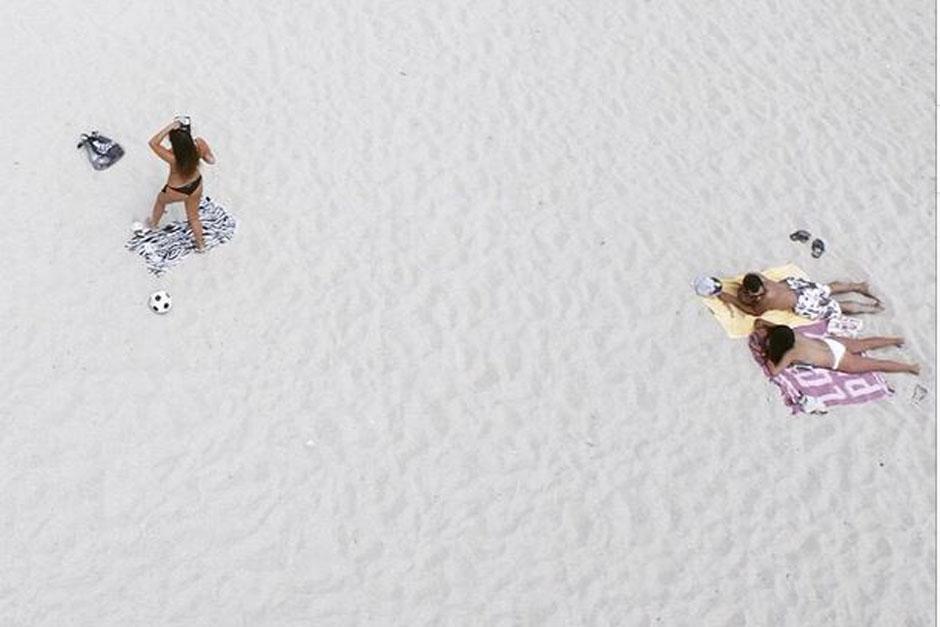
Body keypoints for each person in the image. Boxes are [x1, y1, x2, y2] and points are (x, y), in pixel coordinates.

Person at [755, 320, 919, 376]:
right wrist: (767, 327)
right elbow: (762, 322)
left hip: (838, 360)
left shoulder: (790, 354)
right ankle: (897, 340)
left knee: (877, 364)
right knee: (864, 343)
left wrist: (767, 358)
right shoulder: (790, 334)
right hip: (832, 344)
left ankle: (911, 367)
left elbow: (774, 371)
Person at [147, 119, 216, 251]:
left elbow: (153, 143)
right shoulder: (199, 144)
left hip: (177, 190)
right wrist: (204, 153)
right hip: (196, 185)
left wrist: (170, 127)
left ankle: (153, 224)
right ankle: (201, 245)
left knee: (160, 201)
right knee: (194, 217)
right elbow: (211, 160)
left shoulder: (172, 157)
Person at [717, 272, 881, 319]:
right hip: (795, 286)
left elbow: (755, 312)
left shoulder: (767, 300)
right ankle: (858, 286)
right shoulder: (757, 276)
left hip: (801, 301)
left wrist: (731, 299)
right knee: (826, 288)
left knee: (838, 306)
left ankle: (872, 309)